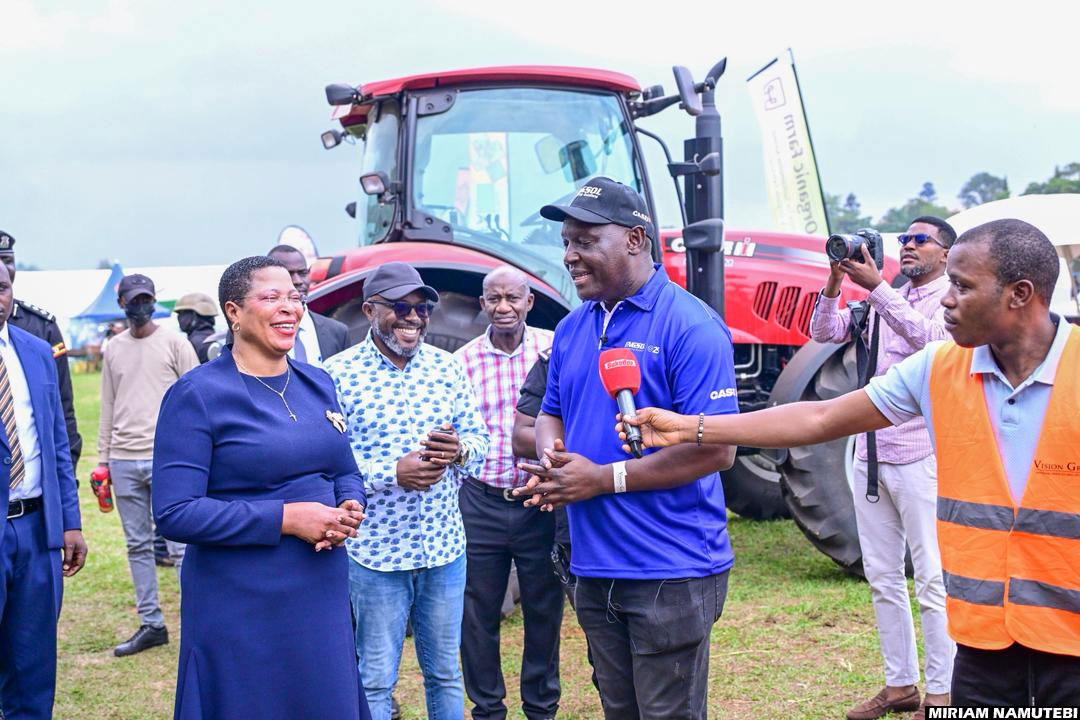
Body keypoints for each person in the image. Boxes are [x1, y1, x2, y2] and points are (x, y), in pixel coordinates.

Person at [619, 219, 1080, 708]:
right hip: (983, 648)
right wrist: (690, 427)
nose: (948, 299)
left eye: (963, 287)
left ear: (1019, 294)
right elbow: (819, 418)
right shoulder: (939, 368)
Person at [519, 177, 738, 720]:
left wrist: (601, 479)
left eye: (586, 241)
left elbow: (718, 450)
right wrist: (554, 464)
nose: (569, 256)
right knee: (620, 710)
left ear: (636, 240)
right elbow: (549, 413)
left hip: (671, 567)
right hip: (592, 565)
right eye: (566, 242)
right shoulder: (572, 328)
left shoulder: (691, 326)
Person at [152, 256, 371, 720]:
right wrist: (287, 519)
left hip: (319, 593)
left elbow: (344, 469)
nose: (289, 307)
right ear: (233, 311)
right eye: (271, 297)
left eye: (294, 296)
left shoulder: (318, 383)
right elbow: (175, 512)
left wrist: (351, 503)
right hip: (241, 599)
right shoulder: (197, 395)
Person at [325, 261, 489, 720]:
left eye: (423, 309)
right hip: (376, 554)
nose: (414, 317)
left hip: (444, 548)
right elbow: (328, 464)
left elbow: (480, 441)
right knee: (376, 678)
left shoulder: (446, 367)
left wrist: (459, 450)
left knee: (445, 675)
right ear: (369, 310)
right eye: (400, 307)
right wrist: (391, 473)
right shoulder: (336, 375)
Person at [810, 217, 957, 719]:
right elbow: (823, 331)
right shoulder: (884, 297)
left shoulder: (949, 300)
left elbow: (933, 344)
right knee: (882, 577)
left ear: (945, 253)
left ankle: (941, 695)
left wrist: (877, 289)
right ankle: (900, 687)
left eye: (920, 240)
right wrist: (835, 281)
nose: (908, 246)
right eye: (904, 240)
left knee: (932, 580)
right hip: (870, 455)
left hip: (921, 455)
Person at [455, 266, 559, 720]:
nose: (503, 307)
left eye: (512, 298)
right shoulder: (462, 361)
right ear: (482, 304)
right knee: (478, 612)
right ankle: (487, 708)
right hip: (480, 500)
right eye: (494, 299)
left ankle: (541, 707)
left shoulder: (551, 351)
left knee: (544, 607)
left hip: (539, 500)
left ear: (528, 302)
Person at [0, 261, 87, 719]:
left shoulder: (35, 351)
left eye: (2, 288)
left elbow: (56, 443)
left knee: (32, 664)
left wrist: (69, 521)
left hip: (36, 531)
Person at [98, 273, 198, 656]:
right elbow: (108, 405)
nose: (141, 306)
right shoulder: (113, 348)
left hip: (168, 459)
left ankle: (196, 621)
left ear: (155, 301)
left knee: (182, 546)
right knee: (137, 546)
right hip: (123, 458)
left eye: (147, 299)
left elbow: (197, 400)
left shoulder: (175, 343)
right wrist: (103, 461)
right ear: (122, 303)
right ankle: (152, 624)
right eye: (134, 300)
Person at [0, 230, 83, 468]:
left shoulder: (42, 327)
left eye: (7, 260)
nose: (4, 267)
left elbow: (63, 403)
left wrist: (67, 466)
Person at [267, 244, 349, 365]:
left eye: (302, 273)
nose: (298, 281)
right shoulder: (257, 331)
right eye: (289, 274)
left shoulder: (337, 332)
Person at [173, 292, 219, 364]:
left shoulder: (192, 343)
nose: (179, 317)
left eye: (181, 313)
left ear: (194, 315)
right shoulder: (220, 338)